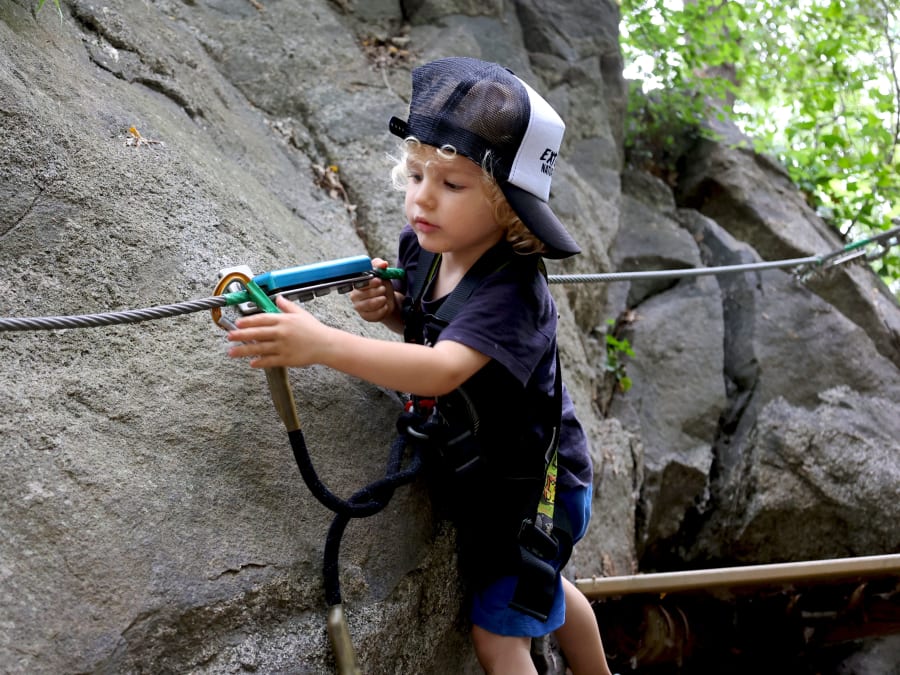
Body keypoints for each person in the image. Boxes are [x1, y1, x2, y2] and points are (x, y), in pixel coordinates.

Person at [227, 57, 612, 675]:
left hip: (537, 491)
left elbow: (442, 369)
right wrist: (394, 313)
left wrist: (320, 343)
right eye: (414, 175)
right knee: (544, 583)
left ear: (508, 207)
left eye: (452, 185)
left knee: (500, 638)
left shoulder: (514, 291)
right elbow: (435, 333)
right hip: (494, 472)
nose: (422, 198)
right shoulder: (425, 247)